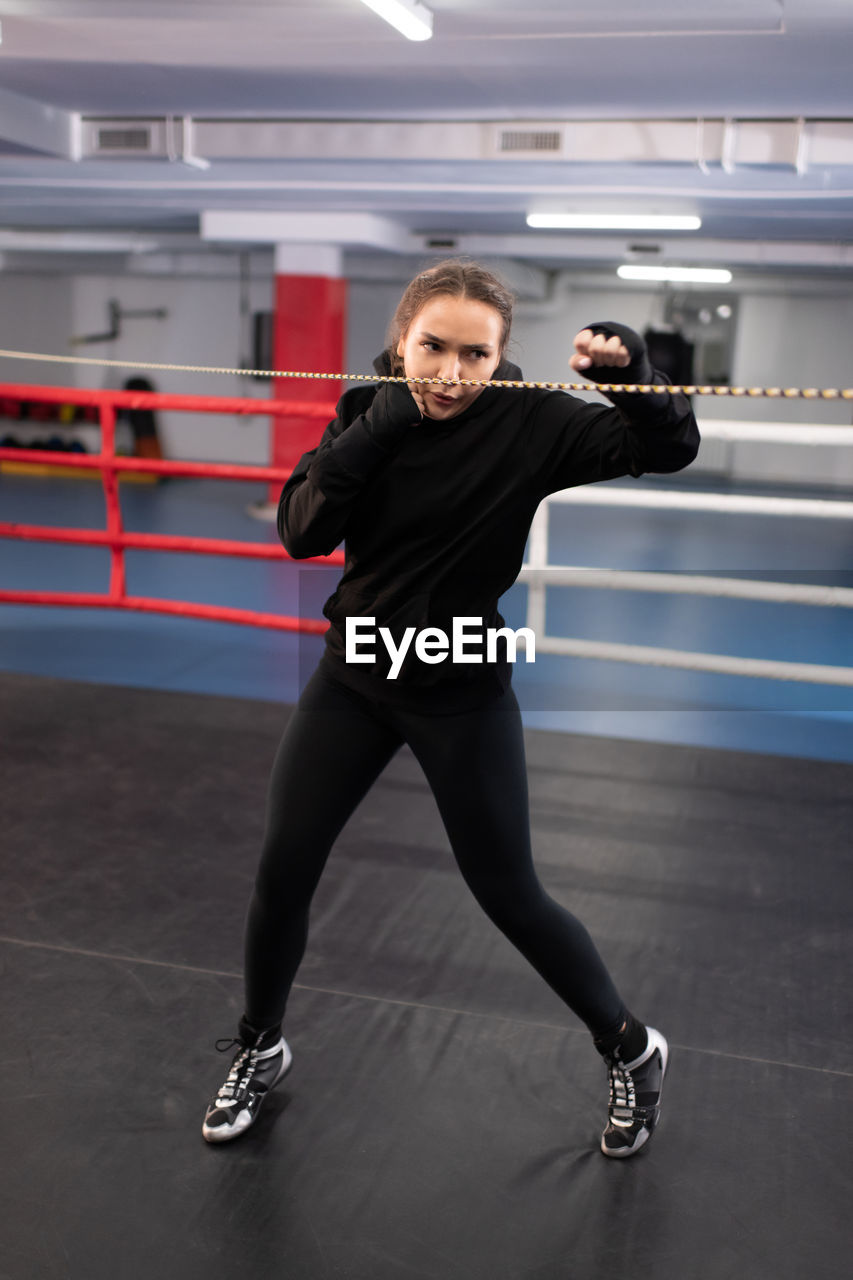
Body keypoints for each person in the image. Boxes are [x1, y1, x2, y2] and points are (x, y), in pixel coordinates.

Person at [202, 259, 700, 1158]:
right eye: (433, 348)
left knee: (507, 891)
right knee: (283, 866)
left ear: (502, 358)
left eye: (475, 355)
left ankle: (631, 1047)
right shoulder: (366, 409)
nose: (451, 373)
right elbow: (302, 531)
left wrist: (637, 384)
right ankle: (259, 1045)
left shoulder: (534, 421)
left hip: (458, 681)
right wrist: (387, 413)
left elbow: (666, 449)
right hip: (354, 677)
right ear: (403, 341)